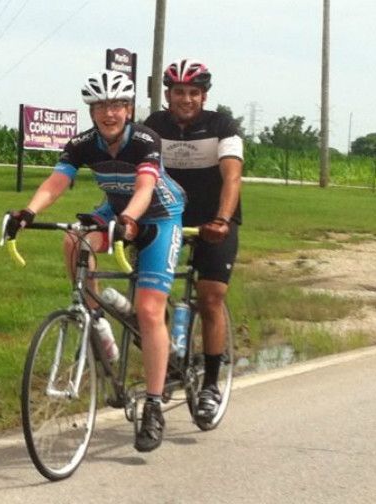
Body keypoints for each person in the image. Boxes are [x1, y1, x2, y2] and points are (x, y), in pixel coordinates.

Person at [6, 70, 186, 452]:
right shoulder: (84, 143)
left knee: (151, 311)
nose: (109, 113)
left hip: (158, 216)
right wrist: (28, 211)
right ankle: (97, 317)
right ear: (92, 111)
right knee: (74, 241)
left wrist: (130, 220)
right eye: (101, 105)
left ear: (129, 108)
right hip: (116, 210)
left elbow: (145, 187)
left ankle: (153, 406)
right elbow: (57, 181)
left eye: (117, 105)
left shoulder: (143, 140)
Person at [143, 58, 243, 424]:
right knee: (152, 295)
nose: (186, 99)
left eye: (193, 93)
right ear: (167, 95)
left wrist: (222, 219)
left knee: (210, 296)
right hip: (166, 218)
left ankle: (211, 386)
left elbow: (232, 177)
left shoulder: (221, 125)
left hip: (214, 221)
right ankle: (167, 362)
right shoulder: (154, 125)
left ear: (204, 95)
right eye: (179, 92)